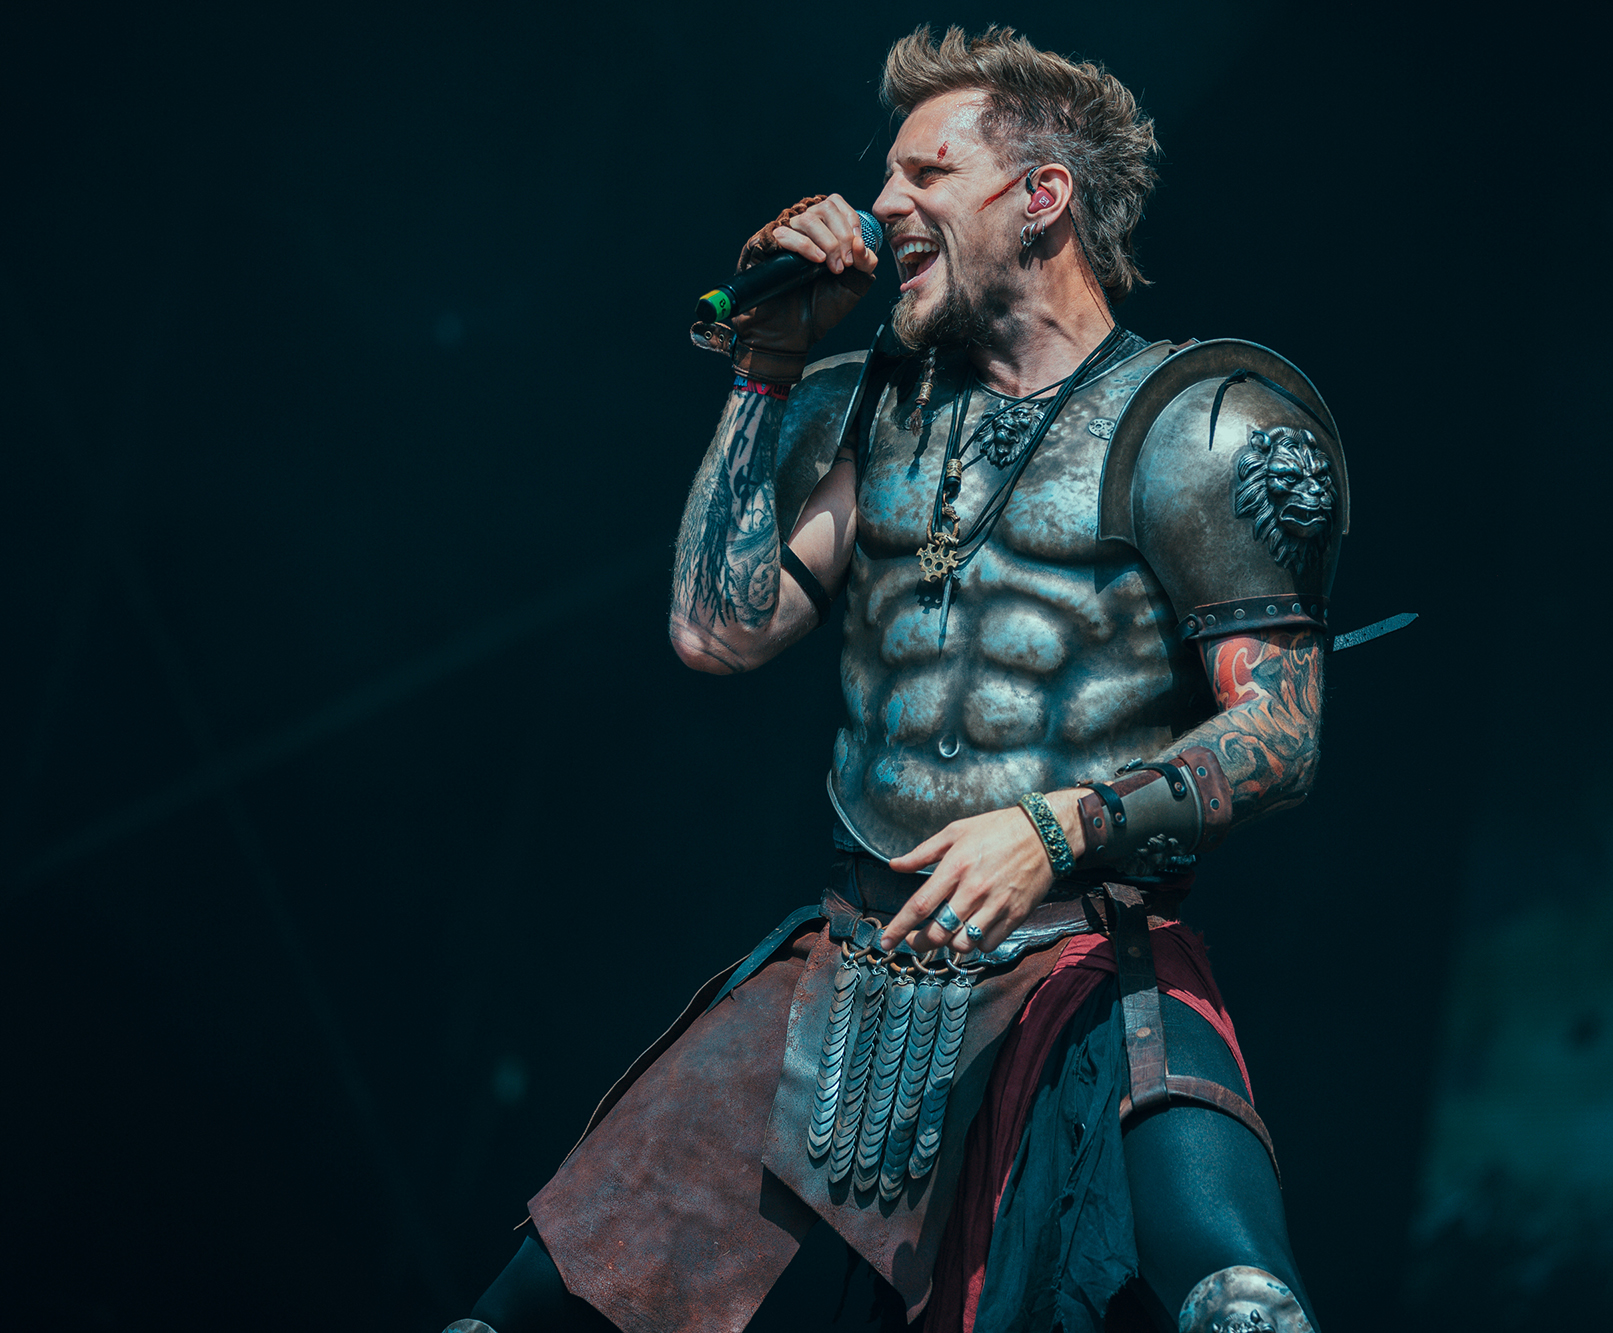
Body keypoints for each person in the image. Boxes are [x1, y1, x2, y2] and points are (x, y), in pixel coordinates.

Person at [449, 24, 1349, 1333]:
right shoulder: (871, 408)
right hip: (857, 958)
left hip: (1085, 962)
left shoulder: (1201, 421)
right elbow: (716, 631)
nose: (880, 205)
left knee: (1237, 1302)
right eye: (887, 176)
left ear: (1040, 196)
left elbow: (1281, 731)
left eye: (926, 174)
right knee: (526, 1311)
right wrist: (765, 366)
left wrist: (1059, 826)